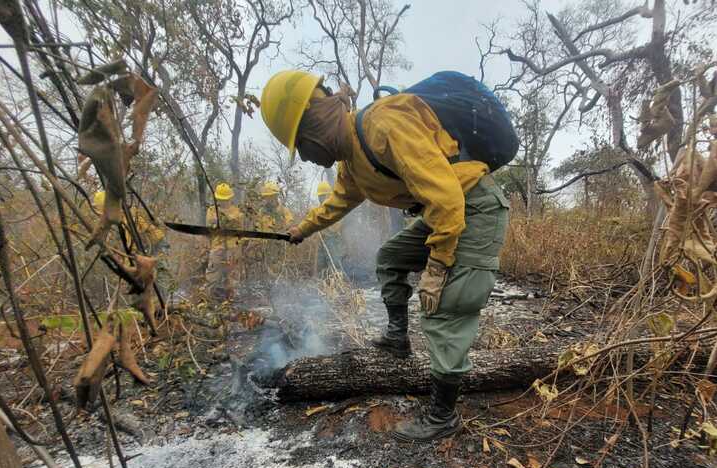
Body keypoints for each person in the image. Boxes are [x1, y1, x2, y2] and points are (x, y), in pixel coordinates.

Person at [259, 70, 510, 442]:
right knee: (390, 257)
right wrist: (303, 229)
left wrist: (438, 266)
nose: (309, 159)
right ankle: (397, 338)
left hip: (473, 208)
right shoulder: (351, 161)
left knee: (444, 305)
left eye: (303, 147)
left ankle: (443, 415)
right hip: (446, 212)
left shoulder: (382, 125)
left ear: (315, 126)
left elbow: (446, 199)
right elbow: (339, 201)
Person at [204, 182, 243, 302]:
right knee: (213, 273)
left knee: (233, 275)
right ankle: (208, 299)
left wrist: (230, 220)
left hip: (233, 247)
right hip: (217, 246)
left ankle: (232, 300)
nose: (223, 202)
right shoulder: (211, 210)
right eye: (221, 199)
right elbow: (210, 225)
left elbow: (240, 228)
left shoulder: (238, 212)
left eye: (225, 199)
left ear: (230, 198)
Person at [314, 181, 344, 274]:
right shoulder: (319, 210)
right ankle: (322, 284)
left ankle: (339, 282)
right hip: (322, 242)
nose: (321, 198)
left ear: (328, 195)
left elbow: (336, 227)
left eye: (323, 196)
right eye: (320, 197)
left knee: (335, 264)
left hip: (334, 241)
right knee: (320, 265)